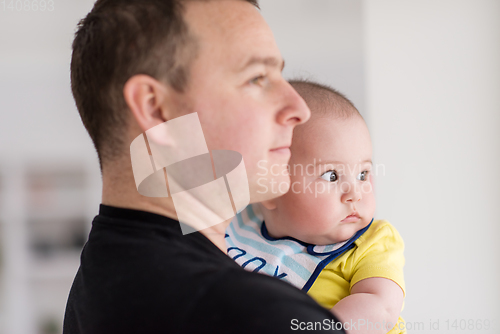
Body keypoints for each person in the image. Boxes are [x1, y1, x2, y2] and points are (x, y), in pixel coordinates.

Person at [63, 1, 345, 333]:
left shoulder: (98, 284)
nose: (299, 108)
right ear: (156, 109)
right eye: (257, 78)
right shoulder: (257, 315)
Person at [226, 80, 406, 334]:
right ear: (268, 187)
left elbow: (381, 309)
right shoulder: (242, 226)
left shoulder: (372, 242)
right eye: (331, 175)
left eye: (363, 174)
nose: (354, 193)